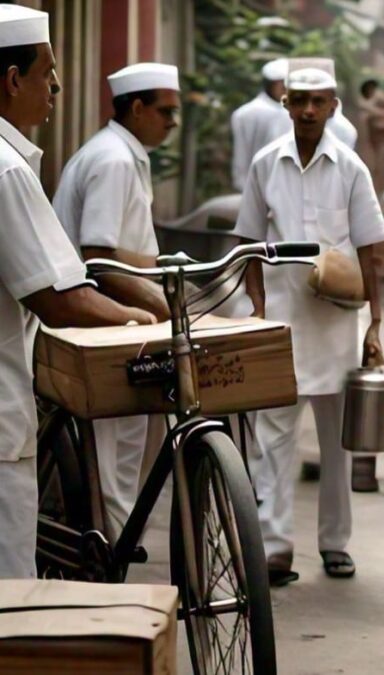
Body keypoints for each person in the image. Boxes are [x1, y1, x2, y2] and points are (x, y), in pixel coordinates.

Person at [0, 4, 154, 578]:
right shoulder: (7, 170)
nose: (57, 86)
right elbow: (59, 296)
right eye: (47, 72)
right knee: (9, 599)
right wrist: (135, 321)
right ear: (13, 80)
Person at [235, 57, 384, 586]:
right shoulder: (264, 164)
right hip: (279, 325)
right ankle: (274, 547)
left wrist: (375, 324)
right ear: (285, 104)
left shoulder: (350, 167)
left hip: (337, 325)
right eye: (298, 101)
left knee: (337, 443)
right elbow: (248, 245)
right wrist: (254, 311)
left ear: (332, 107)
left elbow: (373, 248)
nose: (306, 110)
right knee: (271, 439)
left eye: (317, 102)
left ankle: (334, 543)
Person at [52, 61, 181, 538]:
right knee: (113, 439)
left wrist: (161, 271)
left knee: (134, 433)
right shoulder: (113, 159)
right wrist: (158, 305)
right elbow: (99, 256)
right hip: (101, 317)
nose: (172, 122)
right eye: (165, 111)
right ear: (137, 107)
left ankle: (121, 532)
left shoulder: (123, 153)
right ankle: (108, 540)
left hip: (122, 314)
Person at [231, 58, 290, 192]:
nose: (284, 88)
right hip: (256, 188)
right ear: (269, 85)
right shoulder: (246, 114)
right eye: (280, 84)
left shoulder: (295, 112)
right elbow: (241, 158)